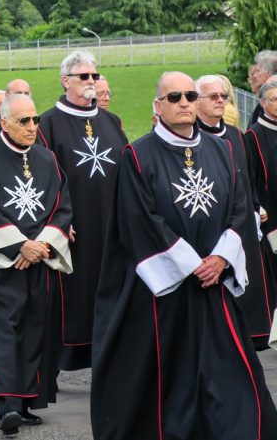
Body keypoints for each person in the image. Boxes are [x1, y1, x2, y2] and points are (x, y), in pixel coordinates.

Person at [92, 72, 277, 440]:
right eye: (174, 97)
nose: (184, 103)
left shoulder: (223, 149)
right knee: (167, 380)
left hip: (215, 289)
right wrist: (193, 264)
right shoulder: (138, 155)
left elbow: (240, 207)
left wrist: (222, 258)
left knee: (232, 379)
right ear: (158, 106)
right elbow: (138, 218)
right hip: (165, 293)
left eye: (190, 96)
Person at [0, 93, 73, 436]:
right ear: (4, 122)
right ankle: (7, 404)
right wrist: (19, 244)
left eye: (35, 120)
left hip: (38, 259)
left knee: (34, 328)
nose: (32, 127)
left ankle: (26, 401)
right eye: (24, 121)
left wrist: (41, 245)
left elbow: (62, 205)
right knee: (1, 332)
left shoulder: (47, 158)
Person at [36, 51, 126, 372]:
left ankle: (110, 352)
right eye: (84, 77)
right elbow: (41, 176)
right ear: (65, 81)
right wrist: (56, 219)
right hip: (72, 224)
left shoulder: (111, 121)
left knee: (111, 284)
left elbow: (127, 171)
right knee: (73, 293)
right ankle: (66, 356)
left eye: (95, 76)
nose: (92, 81)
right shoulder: (47, 123)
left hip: (111, 221)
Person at [240, 78, 277, 348]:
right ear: (262, 104)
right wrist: (258, 207)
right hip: (271, 220)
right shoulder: (253, 136)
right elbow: (250, 179)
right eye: (274, 99)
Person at [248, 51, 277, 125]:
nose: (254, 75)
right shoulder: (265, 97)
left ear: (268, 72)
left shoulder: (270, 101)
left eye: (258, 71)